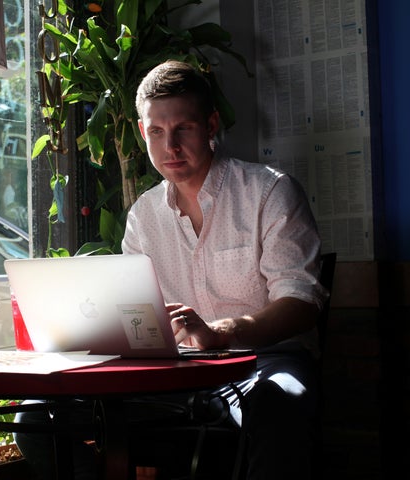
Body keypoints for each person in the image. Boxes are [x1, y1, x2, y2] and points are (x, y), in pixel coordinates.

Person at [16, 60, 328, 479]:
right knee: (35, 416)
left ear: (211, 124)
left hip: (264, 363)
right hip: (180, 374)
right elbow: (130, 314)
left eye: (184, 128)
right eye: (158, 132)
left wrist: (223, 332)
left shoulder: (270, 191)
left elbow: (301, 303)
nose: (171, 147)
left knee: (280, 403)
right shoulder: (144, 215)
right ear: (143, 132)